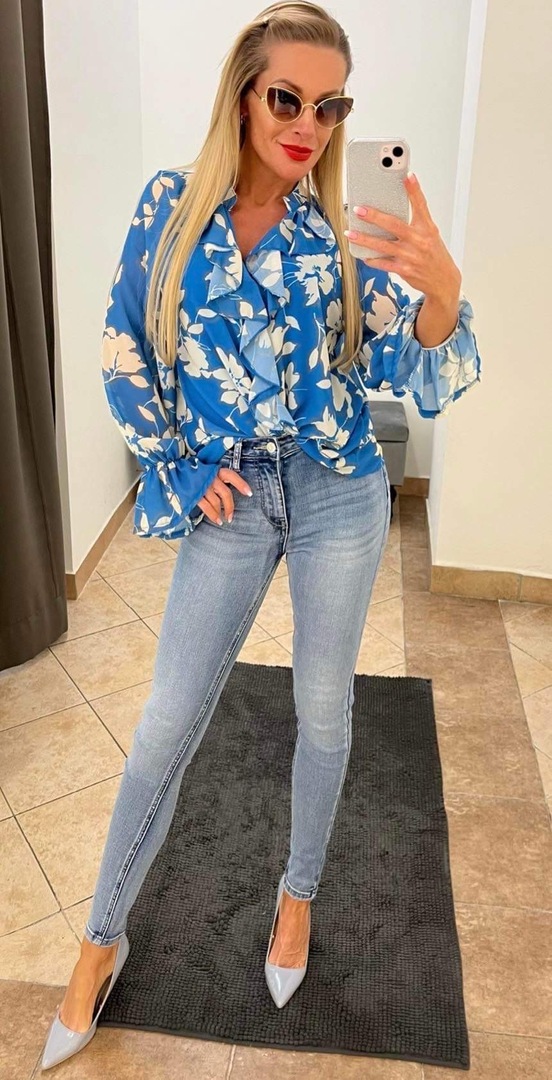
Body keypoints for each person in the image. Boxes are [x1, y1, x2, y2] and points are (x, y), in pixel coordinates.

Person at [41, 0, 481, 1068]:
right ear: (243, 94)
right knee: (166, 722)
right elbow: (122, 345)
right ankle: (99, 941)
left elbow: (418, 371)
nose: (309, 126)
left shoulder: (339, 236)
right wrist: (180, 466)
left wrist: (443, 295)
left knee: (322, 709)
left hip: (337, 492)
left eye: (331, 108)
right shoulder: (171, 207)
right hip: (232, 496)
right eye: (288, 98)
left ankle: (297, 898)